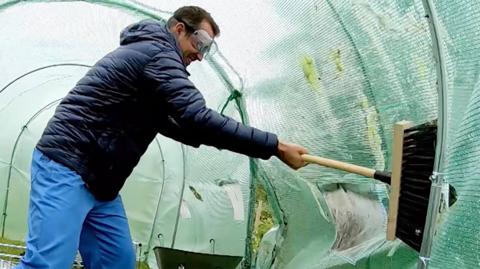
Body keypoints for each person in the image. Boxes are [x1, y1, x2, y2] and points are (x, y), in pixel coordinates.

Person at [15, 5, 308, 269]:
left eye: (208, 50)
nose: (200, 55)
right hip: (68, 164)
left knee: (116, 262)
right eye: (200, 44)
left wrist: (251, 144)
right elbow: (198, 117)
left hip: (100, 181)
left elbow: (187, 126)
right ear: (179, 29)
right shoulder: (158, 54)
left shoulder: (155, 63)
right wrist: (276, 146)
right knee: (48, 264)